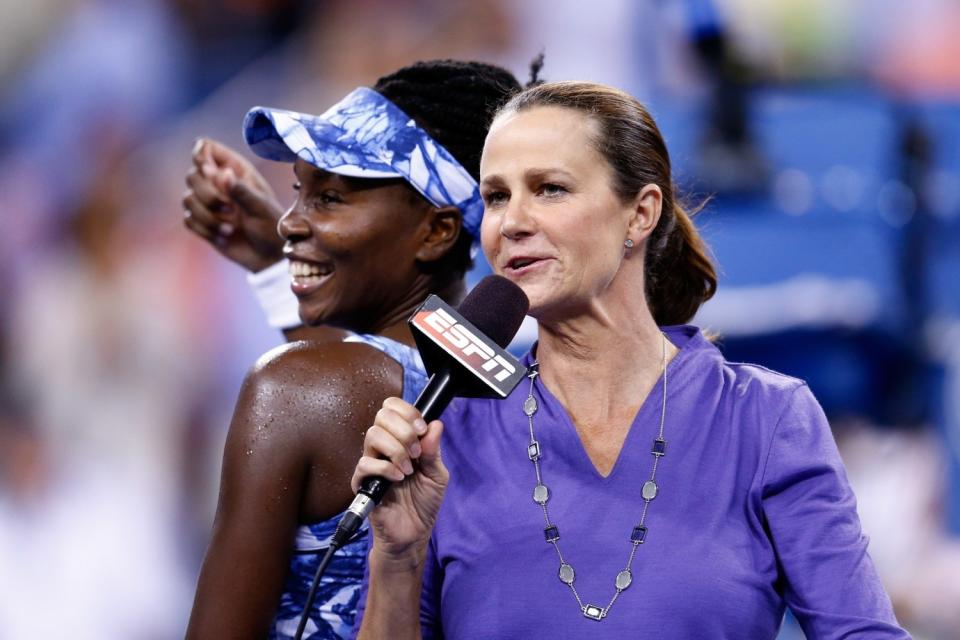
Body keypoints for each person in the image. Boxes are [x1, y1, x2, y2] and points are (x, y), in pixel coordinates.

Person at [351, 81, 912, 638]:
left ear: (640, 215)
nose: (512, 222)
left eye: (549, 189)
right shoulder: (444, 438)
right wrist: (396, 556)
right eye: (497, 197)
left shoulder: (766, 419)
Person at [183, 60, 522, 640]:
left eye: (331, 197)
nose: (290, 221)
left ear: (437, 231)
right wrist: (275, 268)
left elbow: (327, 385)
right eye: (299, 191)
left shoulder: (294, 387)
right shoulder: (522, 391)